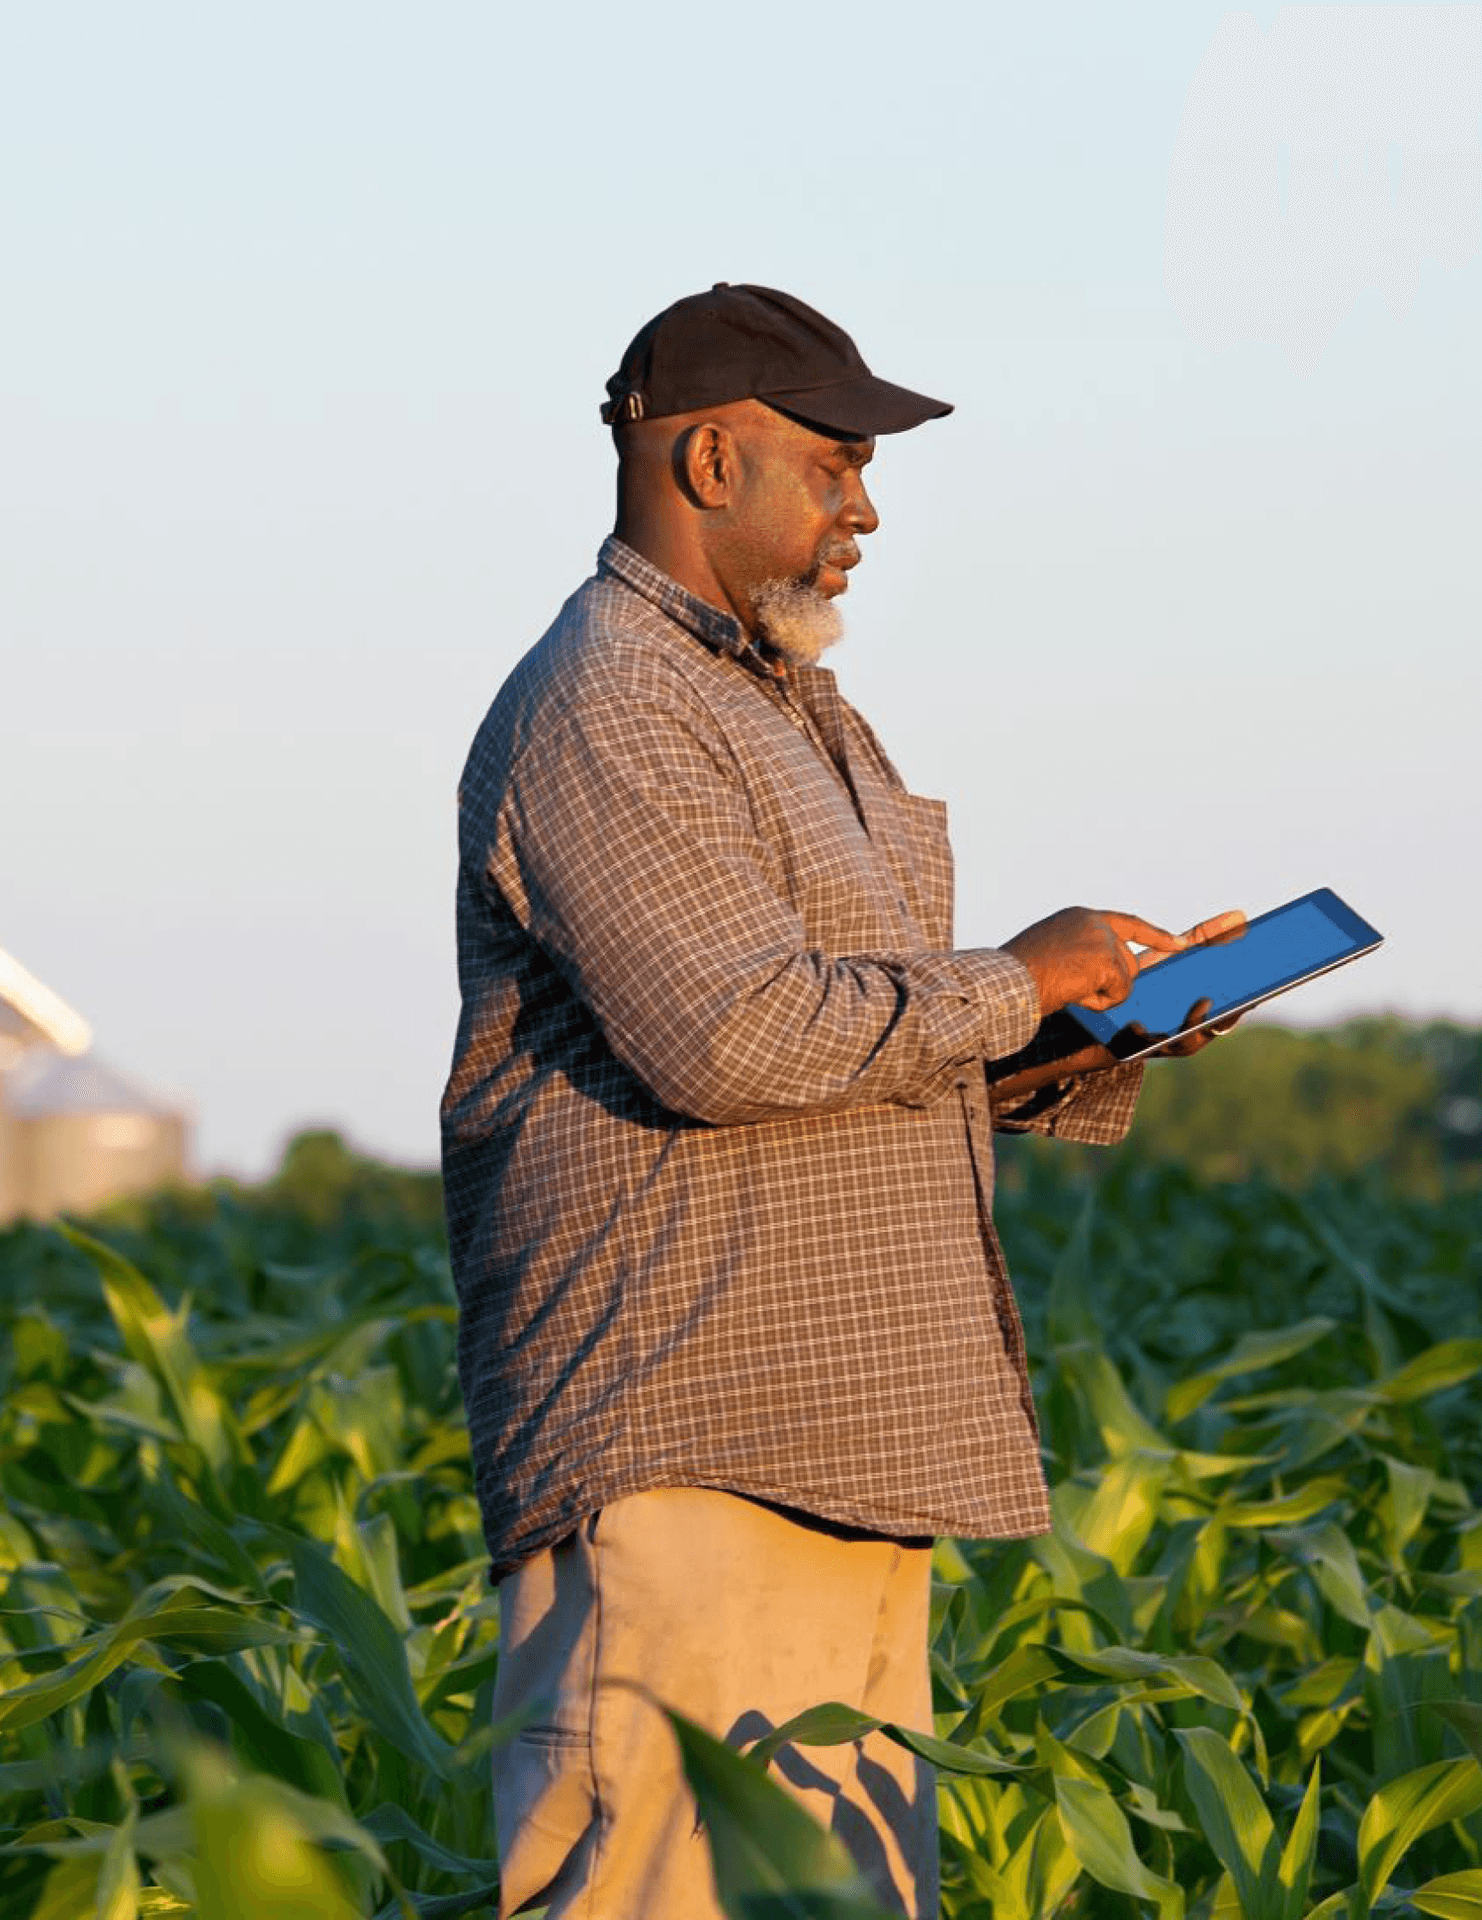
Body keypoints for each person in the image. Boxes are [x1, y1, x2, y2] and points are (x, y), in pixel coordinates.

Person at [439, 283, 1237, 1919]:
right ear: (713, 460)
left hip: (843, 1437)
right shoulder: (612, 700)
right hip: (692, 1442)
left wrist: (1086, 1036)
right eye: (834, 462)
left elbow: (848, 1052)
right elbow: (725, 1040)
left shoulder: (793, 711)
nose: (864, 507)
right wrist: (1019, 975)